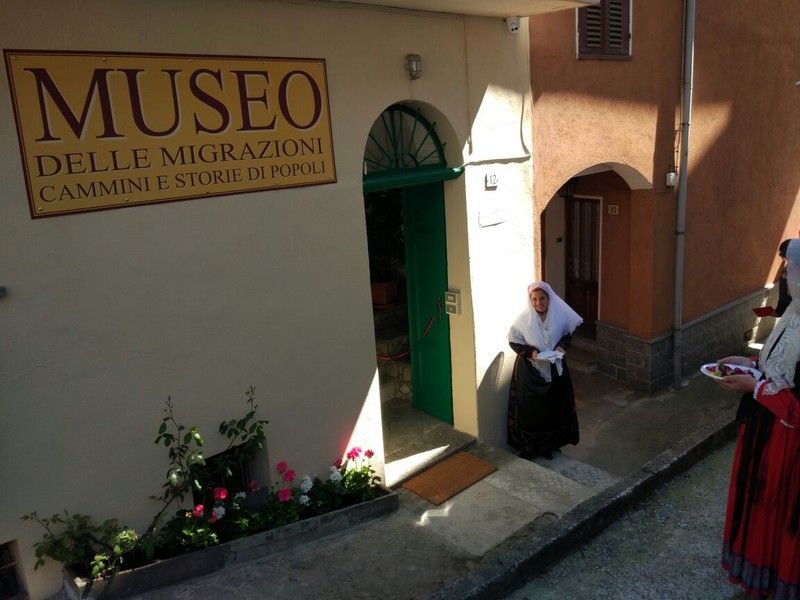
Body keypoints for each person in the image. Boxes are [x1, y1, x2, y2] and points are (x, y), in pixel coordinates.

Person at [718, 238, 800, 598]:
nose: (785, 278)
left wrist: (755, 387)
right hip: (764, 432)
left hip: (789, 446)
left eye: (791, 270)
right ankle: (759, 579)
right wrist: (750, 363)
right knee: (759, 506)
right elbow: (779, 366)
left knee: (778, 513)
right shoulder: (793, 314)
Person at [507, 281, 583, 460]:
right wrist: (531, 352)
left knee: (552, 407)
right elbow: (513, 340)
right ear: (530, 300)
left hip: (555, 369)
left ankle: (549, 446)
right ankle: (530, 447)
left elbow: (567, 334)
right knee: (532, 410)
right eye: (534, 299)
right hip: (530, 372)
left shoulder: (559, 316)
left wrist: (561, 347)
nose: (538, 302)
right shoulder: (524, 319)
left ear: (549, 299)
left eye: (542, 298)